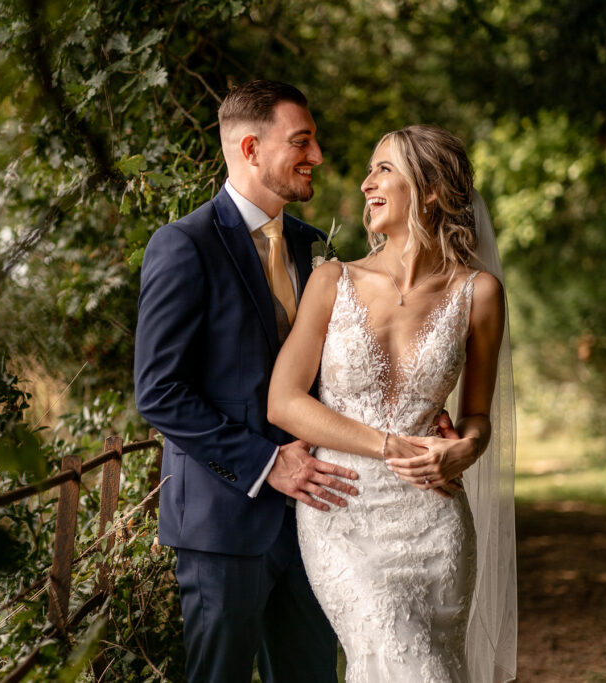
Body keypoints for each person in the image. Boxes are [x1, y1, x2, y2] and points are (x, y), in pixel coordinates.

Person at [267, 124, 518, 682]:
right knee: (398, 652)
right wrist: (387, 445)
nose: (366, 184)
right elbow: (283, 401)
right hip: (343, 509)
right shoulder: (332, 280)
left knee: (434, 662)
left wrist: (468, 449)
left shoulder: (479, 294)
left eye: (384, 169)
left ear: (430, 190)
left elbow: (477, 415)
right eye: (370, 171)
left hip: (436, 517)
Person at [134, 80, 356, 682]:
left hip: (313, 517)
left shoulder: (312, 247)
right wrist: (266, 462)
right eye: (301, 141)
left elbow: (339, 370)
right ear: (252, 148)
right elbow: (158, 391)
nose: (316, 156)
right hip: (222, 522)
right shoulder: (184, 245)